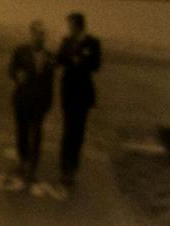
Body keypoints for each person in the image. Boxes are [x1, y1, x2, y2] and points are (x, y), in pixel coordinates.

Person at [55, 12, 102, 186]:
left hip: (82, 94)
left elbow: (96, 65)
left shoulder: (93, 43)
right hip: (67, 92)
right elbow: (59, 60)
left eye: (71, 25)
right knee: (68, 131)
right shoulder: (66, 42)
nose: (68, 28)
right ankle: (64, 169)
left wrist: (80, 61)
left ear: (79, 26)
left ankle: (72, 169)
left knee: (78, 133)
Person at [9, 21, 56, 183]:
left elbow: (50, 82)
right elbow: (11, 70)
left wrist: (49, 103)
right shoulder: (20, 51)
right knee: (22, 132)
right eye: (37, 33)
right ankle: (22, 161)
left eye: (42, 34)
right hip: (21, 100)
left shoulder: (50, 56)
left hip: (39, 103)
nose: (40, 37)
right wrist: (17, 75)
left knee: (36, 135)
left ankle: (32, 168)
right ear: (31, 34)